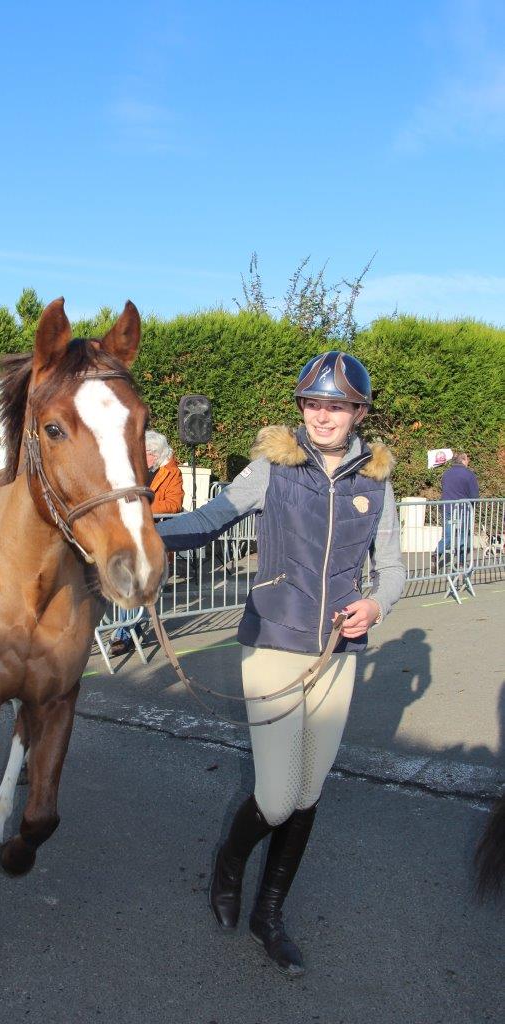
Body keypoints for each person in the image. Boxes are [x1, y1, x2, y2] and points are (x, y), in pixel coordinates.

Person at [156, 351, 406, 977]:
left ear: (358, 413)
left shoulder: (377, 482)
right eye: (314, 404)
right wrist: (141, 532)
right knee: (274, 796)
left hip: (336, 653)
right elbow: (211, 519)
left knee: (309, 791)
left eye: (337, 405)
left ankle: (271, 913)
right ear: (303, 409)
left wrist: (375, 605)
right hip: (271, 641)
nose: (324, 415)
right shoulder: (273, 466)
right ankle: (229, 863)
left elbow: (395, 570)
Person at [109, 430, 184, 656]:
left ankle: (125, 633)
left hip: (154, 539)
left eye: (147, 453)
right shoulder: (139, 471)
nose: (143, 456)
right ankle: (130, 629)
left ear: (157, 454)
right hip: (131, 537)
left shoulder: (172, 473)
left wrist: (141, 505)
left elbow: (174, 504)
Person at [433, 452, 479, 572]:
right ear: (463, 460)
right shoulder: (469, 474)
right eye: (467, 459)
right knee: (463, 536)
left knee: (448, 536)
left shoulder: (446, 474)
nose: (468, 462)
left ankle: (437, 553)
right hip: (463, 509)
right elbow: (474, 495)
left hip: (447, 508)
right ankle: (460, 562)